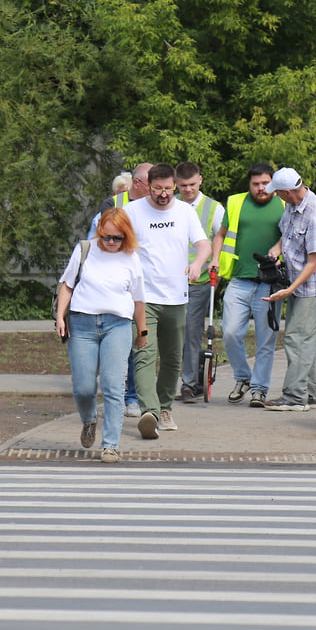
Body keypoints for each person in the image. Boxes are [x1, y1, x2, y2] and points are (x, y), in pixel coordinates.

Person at [124, 163, 211, 439]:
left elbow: (203, 245)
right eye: (158, 189)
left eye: (168, 188)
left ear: (174, 185)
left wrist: (198, 263)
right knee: (145, 354)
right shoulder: (132, 212)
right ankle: (149, 411)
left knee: (173, 358)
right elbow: (116, 244)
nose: (163, 194)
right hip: (143, 299)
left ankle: (164, 408)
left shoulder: (185, 212)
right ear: (147, 186)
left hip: (176, 297)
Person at [54, 207, 148, 464]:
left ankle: (110, 445)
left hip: (117, 325)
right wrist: (60, 317)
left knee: (113, 385)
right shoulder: (85, 249)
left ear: (126, 236)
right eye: (106, 237)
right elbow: (67, 285)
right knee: (83, 387)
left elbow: (139, 300)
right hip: (82, 323)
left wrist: (142, 331)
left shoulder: (132, 257)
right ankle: (89, 419)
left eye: (117, 238)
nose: (110, 242)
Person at [212, 162, 285, 407]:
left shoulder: (285, 203)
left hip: (270, 283)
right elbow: (221, 233)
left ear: (273, 183)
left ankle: (259, 390)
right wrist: (215, 258)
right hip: (240, 279)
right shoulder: (235, 202)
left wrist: (280, 246)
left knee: (266, 340)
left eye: (265, 183)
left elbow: (296, 234)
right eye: (256, 184)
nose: (261, 188)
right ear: (249, 185)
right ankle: (243, 377)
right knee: (231, 333)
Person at [261, 167, 316, 411]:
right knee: (305, 339)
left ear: (288, 192)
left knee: (295, 338)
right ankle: (311, 395)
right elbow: (286, 235)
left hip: (310, 287)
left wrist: (290, 289)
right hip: (297, 282)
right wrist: (276, 251)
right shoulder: (291, 207)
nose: (277, 197)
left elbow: (314, 262)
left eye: (279, 193)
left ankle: (294, 397)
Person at [90, 162, 152, 418]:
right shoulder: (114, 203)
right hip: (115, 283)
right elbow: (100, 237)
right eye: (152, 184)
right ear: (138, 183)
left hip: (143, 281)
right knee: (121, 342)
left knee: (138, 341)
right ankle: (118, 395)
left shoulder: (159, 207)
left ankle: (132, 396)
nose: (158, 191)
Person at [174, 161, 226, 403]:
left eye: (192, 184)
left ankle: (189, 383)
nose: (187, 189)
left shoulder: (214, 209)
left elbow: (222, 238)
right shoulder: (169, 204)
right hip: (171, 280)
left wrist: (215, 261)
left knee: (192, 331)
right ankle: (188, 379)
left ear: (200, 181)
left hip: (200, 281)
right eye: (183, 185)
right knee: (176, 331)